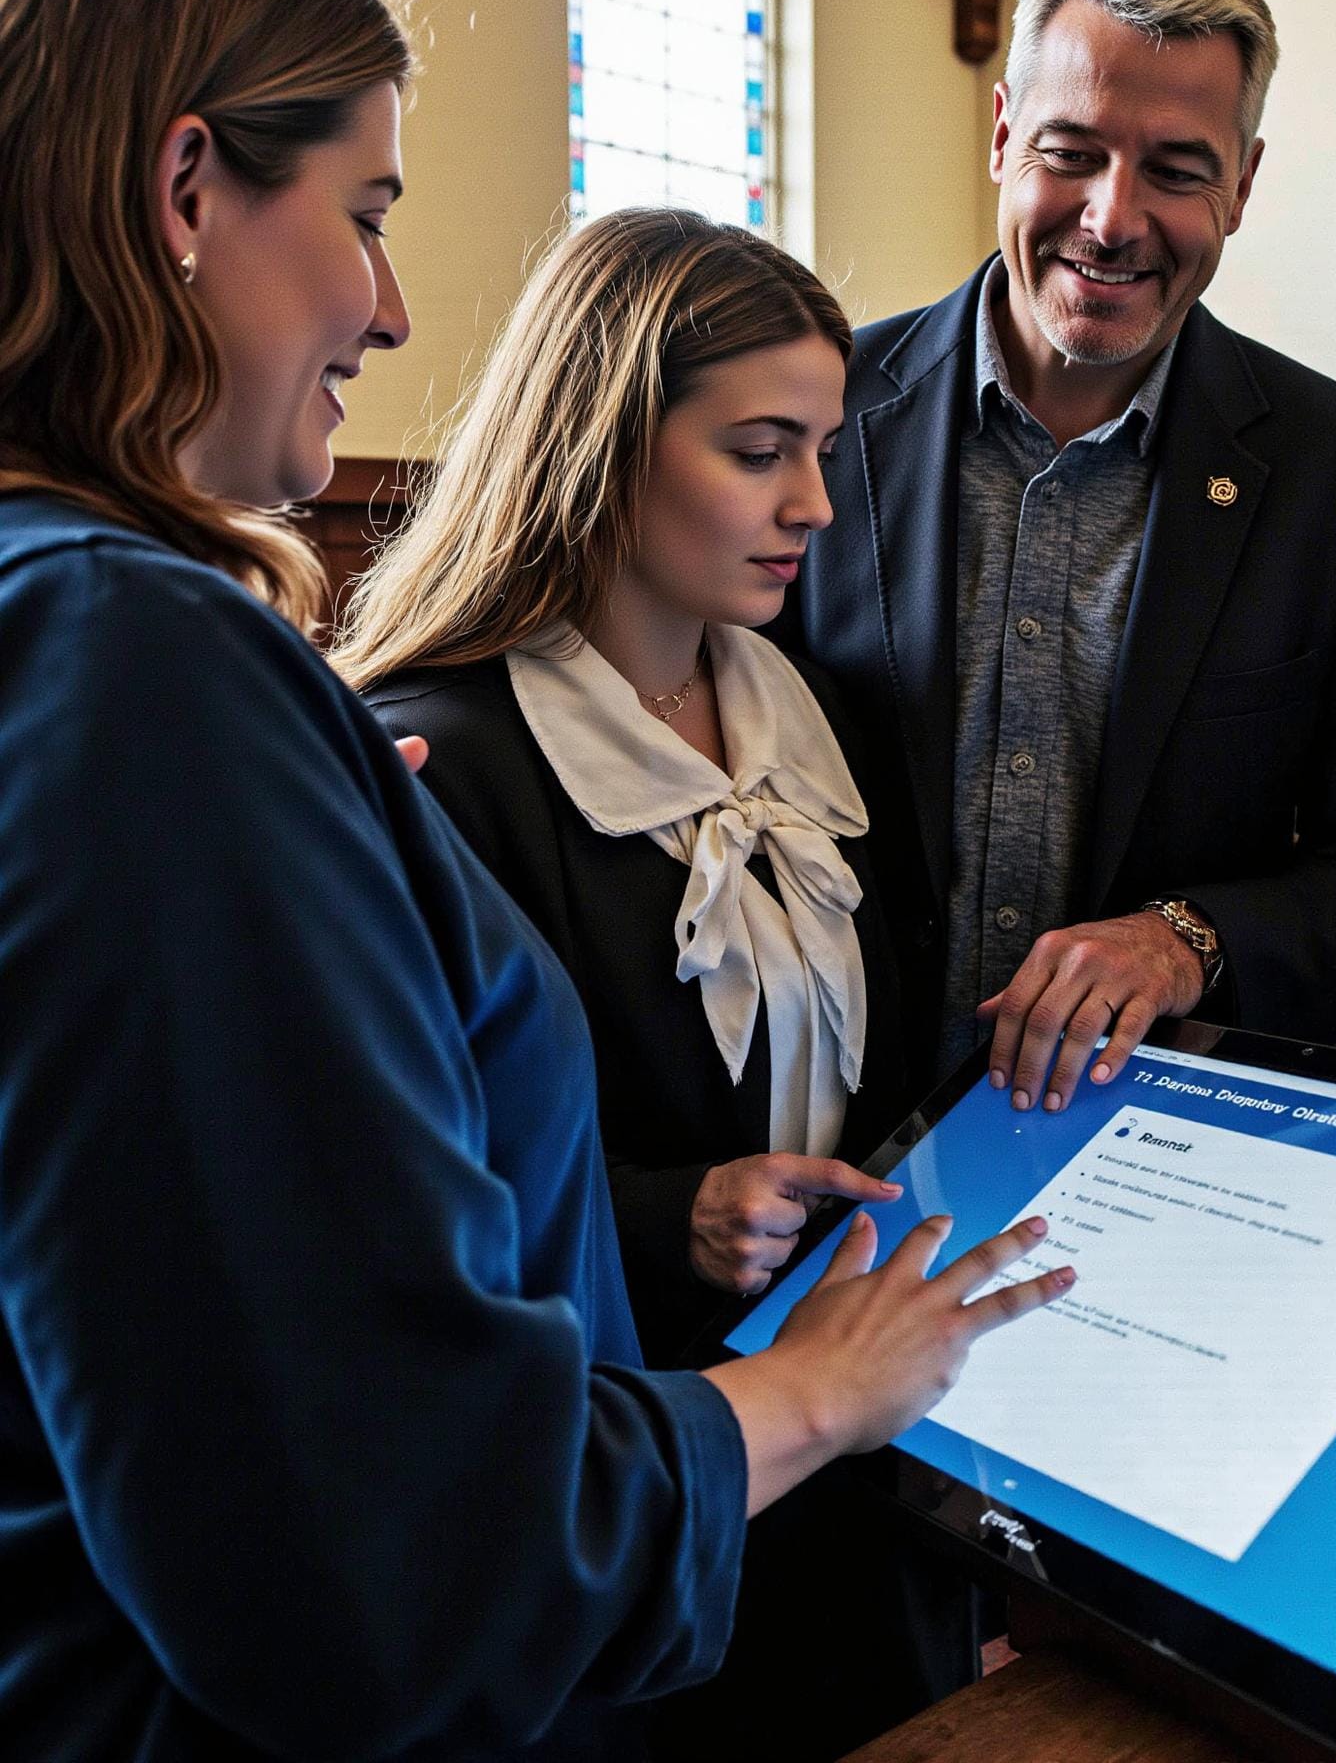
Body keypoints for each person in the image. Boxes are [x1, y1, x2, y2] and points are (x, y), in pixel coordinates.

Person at [0, 0, 1067, 1763]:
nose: (392, 308)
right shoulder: (135, 669)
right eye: (367, 208)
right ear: (182, 187)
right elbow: (393, 1548)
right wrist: (816, 1388)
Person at [336, 209, 978, 1757]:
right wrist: (664, 1215)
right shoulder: (444, 756)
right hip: (619, 1470)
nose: (815, 504)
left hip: (854, 1448)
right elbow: (389, 1200)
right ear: (607, 441)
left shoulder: (822, 712)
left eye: (826, 450)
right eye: (761, 450)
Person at [784, 0, 1336, 1110]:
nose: (1110, 216)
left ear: (1242, 185)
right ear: (1001, 137)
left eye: (1175, 167)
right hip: (822, 1138)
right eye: (1071, 151)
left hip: (1169, 1152)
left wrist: (1182, 939)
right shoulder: (815, 415)